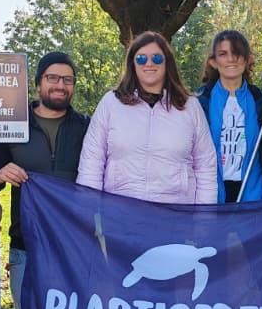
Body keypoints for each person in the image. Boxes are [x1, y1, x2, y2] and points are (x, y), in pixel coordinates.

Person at [0, 52, 90, 309]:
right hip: (25, 246)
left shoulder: (85, 127)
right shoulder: (14, 124)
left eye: (67, 80)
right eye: (53, 78)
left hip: (72, 248)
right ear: (38, 83)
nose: (60, 85)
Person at [78, 31, 217, 204]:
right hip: (120, 211)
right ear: (132, 64)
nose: (149, 63)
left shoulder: (190, 107)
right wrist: (87, 210)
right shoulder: (111, 103)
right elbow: (91, 162)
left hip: (176, 212)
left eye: (157, 58)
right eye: (141, 59)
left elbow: (206, 166)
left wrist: (204, 216)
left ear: (167, 62)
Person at [194, 30, 262, 203]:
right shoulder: (199, 102)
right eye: (223, 54)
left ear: (247, 59)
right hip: (213, 197)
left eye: (237, 53)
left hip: (253, 198)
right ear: (213, 61)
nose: (231, 59)